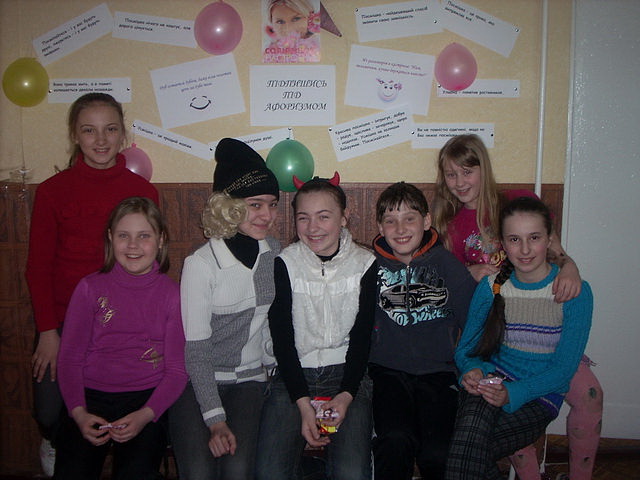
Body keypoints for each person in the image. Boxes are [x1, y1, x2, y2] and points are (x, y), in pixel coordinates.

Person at [433, 135, 603, 480]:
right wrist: (469, 274)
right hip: (493, 335)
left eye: (467, 171)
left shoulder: (515, 202)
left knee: (588, 394)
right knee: (484, 435)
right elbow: (445, 282)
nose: (460, 182)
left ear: (484, 168)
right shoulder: (447, 221)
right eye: (451, 174)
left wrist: (570, 266)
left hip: (545, 334)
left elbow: (553, 247)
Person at [25, 92, 159, 476]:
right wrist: (48, 332)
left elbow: (150, 265)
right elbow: (38, 267)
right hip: (64, 323)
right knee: (48, 410)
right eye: (89, 130)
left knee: (121, 411)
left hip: (122, 325)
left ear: (122, 134)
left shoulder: (144, 192)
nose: (101, 140)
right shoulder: (52, 191)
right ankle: (55, 440)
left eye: (110, 129)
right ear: (74, 135)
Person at [169, 138, 281, 480]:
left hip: (248, 381)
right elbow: (197, 350)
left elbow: (272, 325)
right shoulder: (201, 264)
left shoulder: (273, 254)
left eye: (272, 204)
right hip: (198, 380)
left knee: (237, 469)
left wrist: (277, 367)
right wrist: (215, 420)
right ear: (228, 206)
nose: (267, 215)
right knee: (199, 472)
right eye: (255, 204)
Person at [54, 196, 187, 479]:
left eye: (144, 236)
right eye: (123, 235)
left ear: (161, 240)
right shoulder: (89, 288)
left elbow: (177, 371)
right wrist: (79, 413)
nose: (133, 245)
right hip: (89, 397)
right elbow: (69, 359)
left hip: (146, 399)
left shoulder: (173, 295)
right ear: (110, 238)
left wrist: (146, 414)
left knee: (136, 472)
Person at [255, 173, 376, 480]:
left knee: (351, 473)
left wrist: (346, 396)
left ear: (344, 218)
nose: (313, 227)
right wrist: (303, 404)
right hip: (294, 374)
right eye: (303, 218)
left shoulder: (365, 263)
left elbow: (362, 338)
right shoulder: (285, 263)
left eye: (324, 216)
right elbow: (283, 339)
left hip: (347, 376)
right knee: (269, 473)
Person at [368, 182, 477, 479]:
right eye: (390, 220)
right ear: (380, 227)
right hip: (387, 372)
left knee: (438, 452)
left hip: (439, 374)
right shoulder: (370, 268)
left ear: (426, 221)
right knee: (394, 440)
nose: (400, 228)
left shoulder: (447, 265)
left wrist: (473, 366)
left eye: (409, 218)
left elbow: (474, 324)